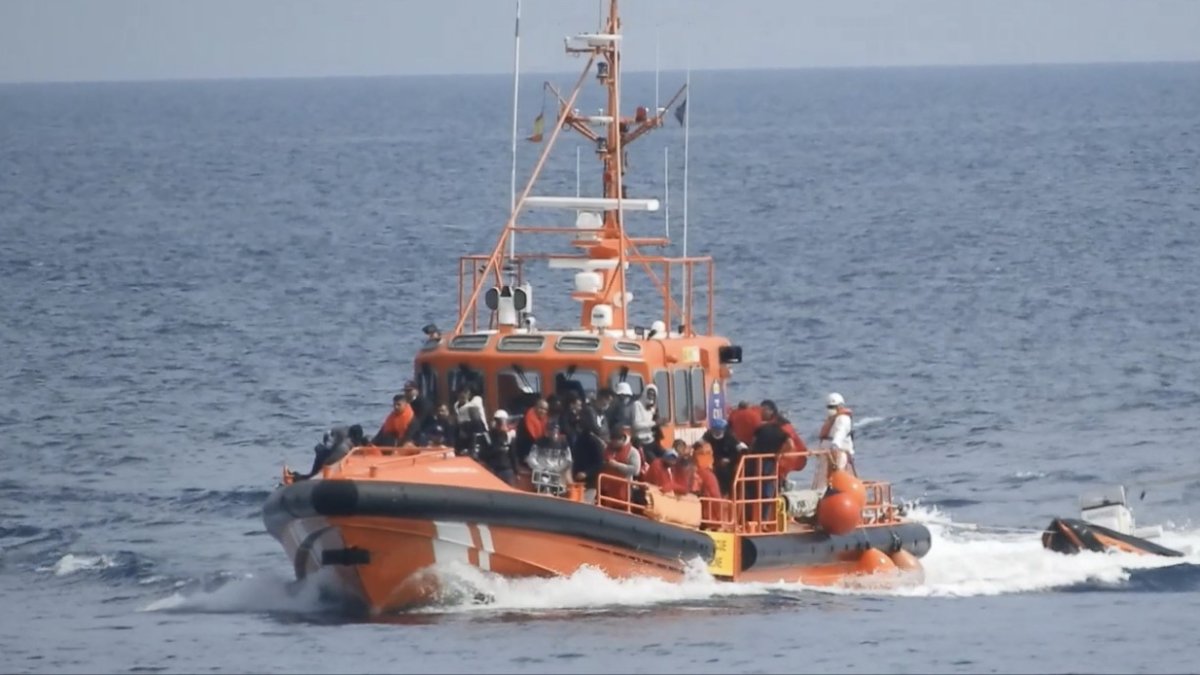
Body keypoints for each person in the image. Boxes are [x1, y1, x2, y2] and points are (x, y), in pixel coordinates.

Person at [289, 425, 356, 482]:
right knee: (322, 452)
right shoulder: (344, 444)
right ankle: (306, 477)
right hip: (332, 445)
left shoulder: (351, 444)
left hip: (337, 447)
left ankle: (308, 477)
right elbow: (330, 458)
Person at [818, 392, 855, 478]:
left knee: (837, 476)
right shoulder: (831, 419)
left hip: (839, 452)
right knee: (823, 479)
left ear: (840, 406)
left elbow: (840, 433)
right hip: (827, 453)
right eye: (829, 407)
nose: (830, 409)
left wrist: (835, 445)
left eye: (832, 407)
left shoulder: (843, 419)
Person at [702, 418, 742, 496]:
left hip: (729, 466)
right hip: (714, 464)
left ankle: (729, 494)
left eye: (719, 430)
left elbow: (742, 450)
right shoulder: (708, 436)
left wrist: (730, 460)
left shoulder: (731, 438)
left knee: (727, 476)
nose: (717, 432)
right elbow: (698, 444)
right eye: (715, 430)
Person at [479, 410, 517, 485]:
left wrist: (516, 472)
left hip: (507, 471)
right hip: (492, 470)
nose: (501, 425)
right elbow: (482, 455)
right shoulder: (487, 437)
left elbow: (513, 456)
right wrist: (497, 450)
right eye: (498, 422)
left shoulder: (509, 437)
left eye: (503, 422)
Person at [632, 383, 662, 461]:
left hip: (651, 441)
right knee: (655, 462)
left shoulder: (652, 409)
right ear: (645, 393)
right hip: (641, 442)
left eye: (653, 395)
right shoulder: (637, 405)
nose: (651, 396)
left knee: (667, 456)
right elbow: (636, 425)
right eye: (650, 394)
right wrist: (654, 423)